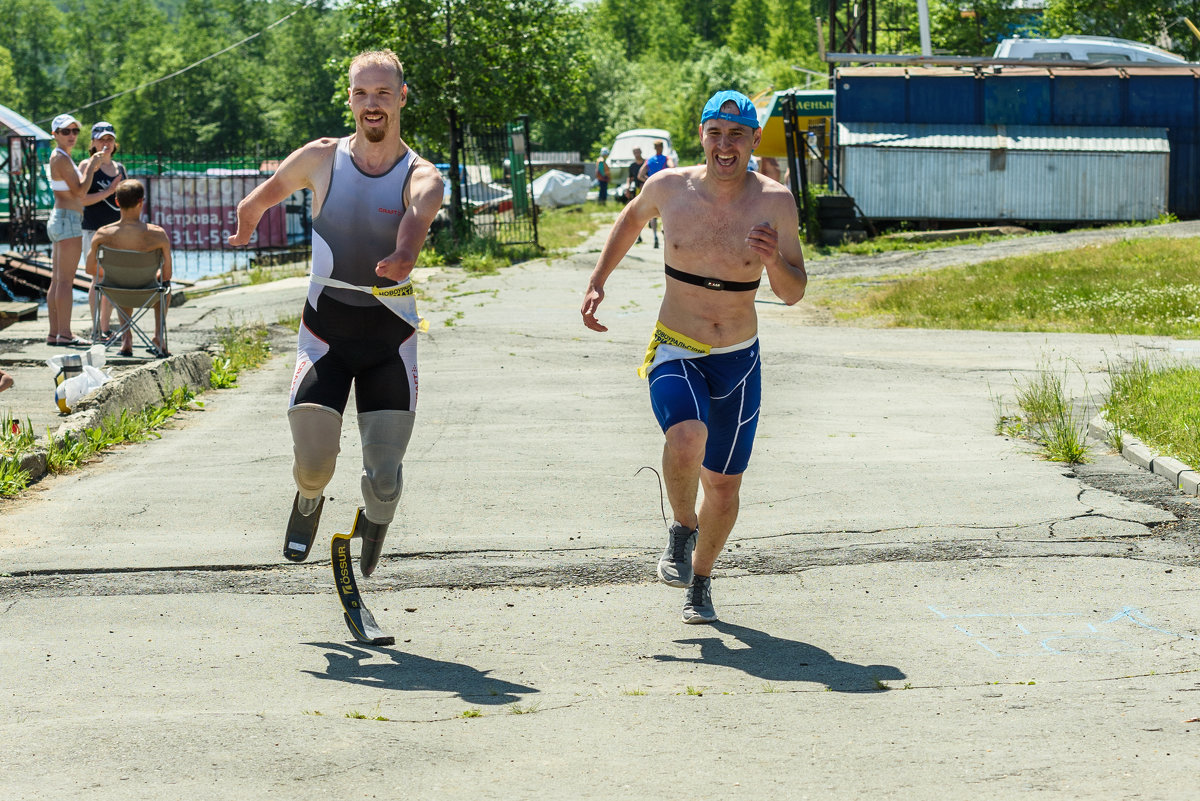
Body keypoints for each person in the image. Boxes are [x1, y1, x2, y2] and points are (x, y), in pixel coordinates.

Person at [581, 90, 807, 624]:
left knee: (724, 486)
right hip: (676, 344)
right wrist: (597, 282)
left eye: (736, 135)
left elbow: (794, 291)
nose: (724, 145)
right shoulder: (667, 187)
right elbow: (631, 220)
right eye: (715, 133)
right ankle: (682, 529)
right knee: (686, 436)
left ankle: (700, 583)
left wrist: (774, 261)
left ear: (754, 140)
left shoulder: (776, 202)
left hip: (738, 357)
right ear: (700, 134)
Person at [228, 49, 444, 577]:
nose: (373, 105)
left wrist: (405, 255)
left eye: (383, 94)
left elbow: (418, 215)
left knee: (385, 482)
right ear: (350, 98)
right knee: (314, 464)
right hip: (325, 335)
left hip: (389, 342)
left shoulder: (423, 175)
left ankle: (375, 520)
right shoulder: (321, 159)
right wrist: (244, 224)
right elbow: (259, 198)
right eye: (362, 93)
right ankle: (307, 501)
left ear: (401, 98)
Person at [46, 113, 113, 347]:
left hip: (61, 217)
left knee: (57, 281)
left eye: (75, 131)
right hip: (68, 219)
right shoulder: (61, 158)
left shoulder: (60, 156)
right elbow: (80, 192)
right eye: (66, 131)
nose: (72, 136)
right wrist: (93, 167)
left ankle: (55, 333)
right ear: (55, 134)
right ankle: (65, 333)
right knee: (65, 281)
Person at [84, 179, 172, 357]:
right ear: (141, 201)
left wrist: (117, 272)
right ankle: (158, 337)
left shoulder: (102, 234)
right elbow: (167, 274)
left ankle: (127, 340)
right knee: (166, 287)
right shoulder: (158, 234)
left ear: (117, 202)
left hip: (115, 292)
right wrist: (145, 273)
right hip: (148, 293)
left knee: (120, 281)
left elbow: (89, 269)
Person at [80, 121, 128, 341]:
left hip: (117, 231)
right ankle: (96, 329)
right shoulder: (86, 166)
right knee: (97, 279)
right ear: (93, 142)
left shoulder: (120, 169)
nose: (106, 143)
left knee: (113, 279)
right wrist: (109, 190)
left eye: (109, 139)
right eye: (101, 139)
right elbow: (82, 199)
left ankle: (107, 328)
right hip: (93, 230)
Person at [637, 140, 673, 249]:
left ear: (654, 148)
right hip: (665, 187)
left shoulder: (649, 161)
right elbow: (672, 169)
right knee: (666, 211)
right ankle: (664, 231)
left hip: (653, 188)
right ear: (662, 147)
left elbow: (640, 175)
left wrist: (649, 180)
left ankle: (654, 236)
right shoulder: (667, 159)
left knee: (653, 213)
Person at [624, 147, 647, 240]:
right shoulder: (632, 165)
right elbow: (630, 177)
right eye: (635, 152)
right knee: (637, 212)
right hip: (637, 190)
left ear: (641, 152)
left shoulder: (646, 163)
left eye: (638, 152)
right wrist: (627, 187)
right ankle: (639, 235)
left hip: (646, 189)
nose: (637, 154)